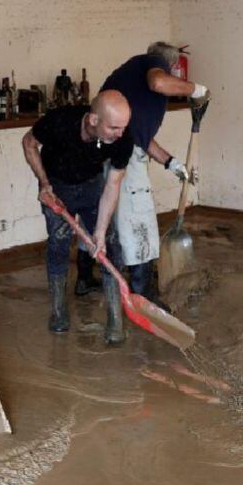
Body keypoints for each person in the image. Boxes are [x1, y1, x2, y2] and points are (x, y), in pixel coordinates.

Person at [93, 41, 211, 304]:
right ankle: (143, 293)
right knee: (140, 218)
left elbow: (141, 138)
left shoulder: (133, 81)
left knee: (113, 218)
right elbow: (158, 82)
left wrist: (171, 163)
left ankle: (89, 279)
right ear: (171, 65)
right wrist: (196, 89)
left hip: (110, 150)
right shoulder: (152, 64)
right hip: (122, 153)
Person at [22, 91, 133, 345]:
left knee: (109, 246)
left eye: (123, 127)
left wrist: (100, 232)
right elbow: (28, 143)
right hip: (57, 187)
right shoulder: (60, 122)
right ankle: (58, 311)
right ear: (93, 120)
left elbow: (113, 185)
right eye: (113, 127)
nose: (120, 134)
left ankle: (115, 320)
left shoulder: (123, 138)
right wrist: (44, 184)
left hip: (93, 185)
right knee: (59, 245)